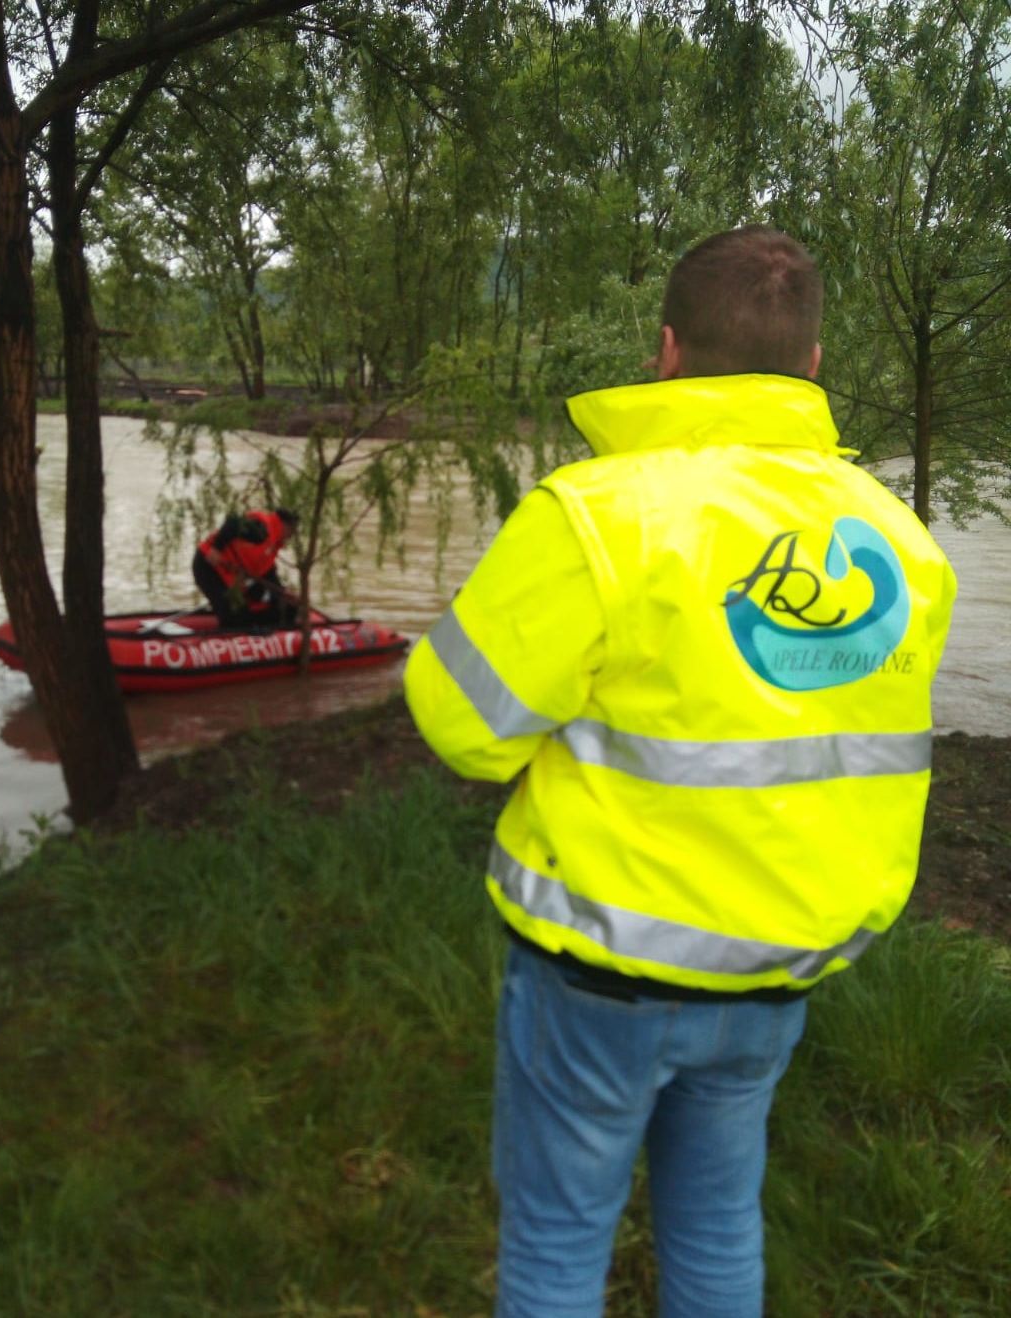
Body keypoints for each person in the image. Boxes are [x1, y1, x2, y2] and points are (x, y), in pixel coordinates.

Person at [403, 225, 956, 1318]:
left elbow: (464, 725)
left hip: (601, 971)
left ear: (665, 350)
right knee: (715, 1224)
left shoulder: (599, 513)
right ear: (811, 365)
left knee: (559, 1242)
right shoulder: (903, 544)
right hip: (777, 968)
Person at [192, 507, 299, 627]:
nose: (291, 537)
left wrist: (282, 592)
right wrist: (217, 548)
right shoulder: (262, 529)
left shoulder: (273, 544)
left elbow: (267, 573)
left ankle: (257, 625)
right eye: (292, 531)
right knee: (234, 617)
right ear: (285, 525)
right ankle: (233, 625)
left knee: (280, 605)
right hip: (209, 567)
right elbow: (232, 522)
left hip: (230, 577)